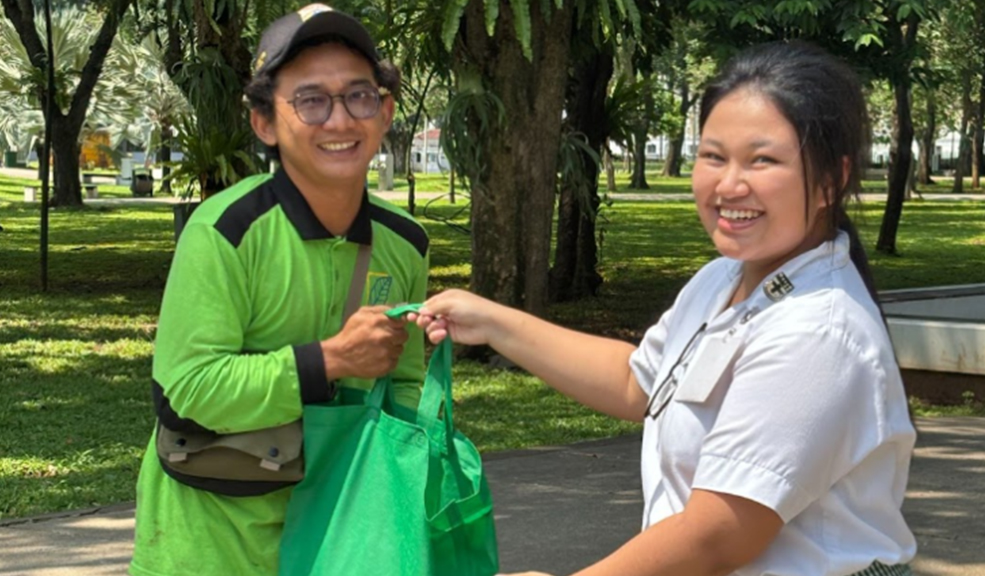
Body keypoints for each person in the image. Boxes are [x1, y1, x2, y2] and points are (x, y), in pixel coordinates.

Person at [412, 41, 917, 576]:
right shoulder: (723, 279)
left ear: (831, 181)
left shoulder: (817, 330)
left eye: (763, 160)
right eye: (714, 156)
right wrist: (493, 321)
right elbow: (639, 384)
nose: (729, 185)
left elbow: (719, 532)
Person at [130, 5, 429, 575]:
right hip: (214, 547)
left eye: (359, 96)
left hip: (345, 541)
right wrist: (331, 361)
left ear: (385, 110)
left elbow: (406, 384)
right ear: (265, 122)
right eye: (311, 100)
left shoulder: (405, 242)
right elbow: (185, 391)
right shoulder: (226, 233)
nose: (339, 121)